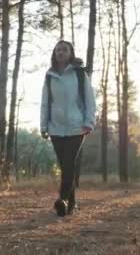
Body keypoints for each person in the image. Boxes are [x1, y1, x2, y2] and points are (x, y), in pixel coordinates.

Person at [40, 40, 96, 217]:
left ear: (71, 53)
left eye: (64, 49)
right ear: (54, 54)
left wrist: (89, 122)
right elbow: (45, 102)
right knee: (65, 166)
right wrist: (44, 125)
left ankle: (62, 199)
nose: (60, 52)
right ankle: (71, 202)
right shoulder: (49, 76)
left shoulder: (80, 74)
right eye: (57, 50)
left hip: (76, 126)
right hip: (56, 128)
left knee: (69, 163)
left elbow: (90, 100)